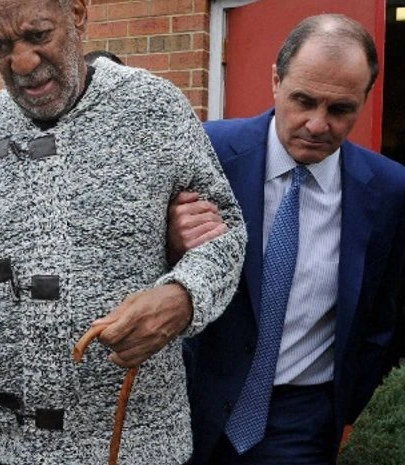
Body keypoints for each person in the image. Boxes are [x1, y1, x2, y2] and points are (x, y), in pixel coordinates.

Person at [0, 0, 245, 463]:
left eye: (38, 36)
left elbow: (225, 234)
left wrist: (183, 297)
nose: (22, 63)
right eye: (0, 46)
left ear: (77, 12)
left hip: (130, 446)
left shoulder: (154, 109)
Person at [170, 14, 405, 465]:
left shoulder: (389, 192)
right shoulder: (206, 151)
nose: (317, 124)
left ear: (365, 98)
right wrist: (172, 241)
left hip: (299, 422)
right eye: (304, 100)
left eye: (340, 110)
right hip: (187, 403)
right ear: (276, 80)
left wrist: (340, 407)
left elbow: (382, 321)